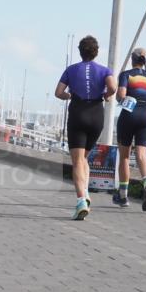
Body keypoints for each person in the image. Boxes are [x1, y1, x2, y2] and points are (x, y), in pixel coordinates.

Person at [54, 35, 117, 220]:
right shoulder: (105, 70)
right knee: (84, 159)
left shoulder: (71, 69)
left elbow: (58, 92)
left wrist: (69, 96)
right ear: (96, 52)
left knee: (77, 161)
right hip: (96, 114)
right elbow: (113, 88)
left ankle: (81, 200)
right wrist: (106, 95)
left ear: (80, 51)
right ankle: (87, 194)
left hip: (78, 113)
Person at [114, 47, 146, 211]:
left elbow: (121, 95)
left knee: (125, 157)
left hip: (129, 116)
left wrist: (126, 97)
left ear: (132, 59)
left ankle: (123, 196)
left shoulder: (126, 75)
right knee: (142, 156)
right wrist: (145, 97)